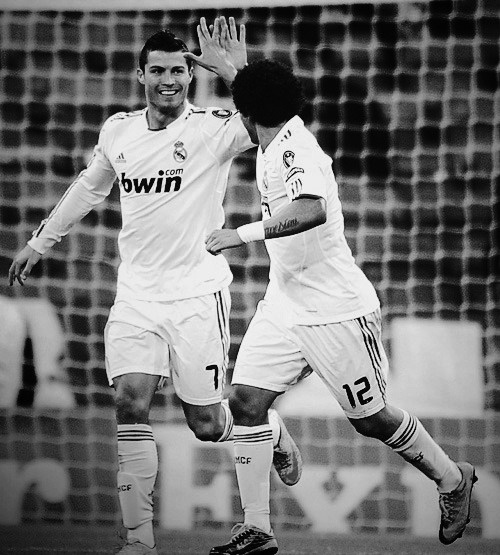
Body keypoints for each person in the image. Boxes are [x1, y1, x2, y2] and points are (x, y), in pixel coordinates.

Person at [8, 21, 302, 555]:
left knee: (206, 425)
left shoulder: (214, 128)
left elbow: (277, 124)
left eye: (179, 71)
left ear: (191, 75)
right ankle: (138, 541)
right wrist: (39, 242)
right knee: (129, 401)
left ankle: (270, 431)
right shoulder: (118, 131)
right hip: (137, 296)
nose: (169, 80)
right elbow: (88, 189)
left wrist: (237, 72)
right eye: (159, 70)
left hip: (197, 296)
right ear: (140, 74)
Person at [205, 59, 477, 555]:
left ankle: (452, 478)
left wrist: (239, 234)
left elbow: (312, 209)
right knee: (245, 401)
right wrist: (234, 68)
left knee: (370, 420)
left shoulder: (297, 150)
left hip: (337, 311)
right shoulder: (271, 134)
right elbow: (257, 99)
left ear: (246, 111)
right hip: (284, 302)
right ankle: (257, 528)